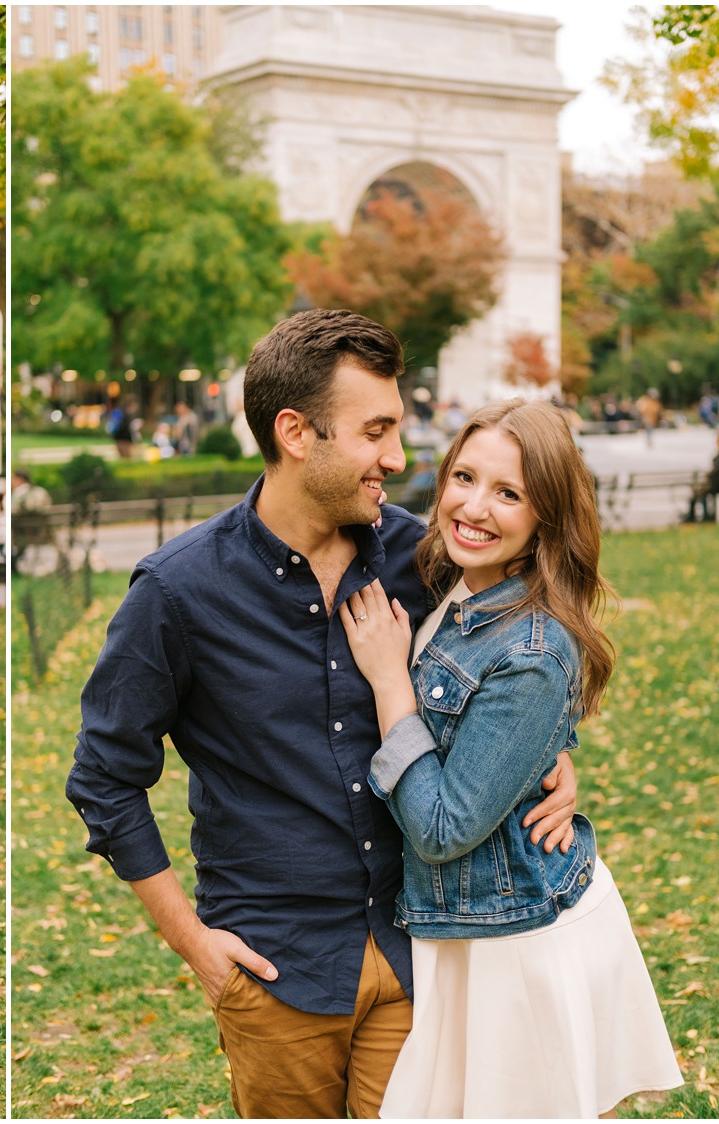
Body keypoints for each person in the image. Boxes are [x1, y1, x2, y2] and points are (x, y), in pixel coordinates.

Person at [66, 309, 577, 1119]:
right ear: (297, 432)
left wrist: (554, 761)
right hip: (276, 968)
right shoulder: (176, 593)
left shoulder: (428, 561)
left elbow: (514, 674)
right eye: (376, 431)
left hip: (420, 948)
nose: (399, 457)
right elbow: (104, 781)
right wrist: (194, 943)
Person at [339, 399, 682, 1116]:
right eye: (464, 476)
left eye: (509, 493)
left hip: (517, 942)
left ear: (544, 518)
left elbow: (441, 830)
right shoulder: (454, 579)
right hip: (468, 931)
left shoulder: (532, 648)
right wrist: (552, 754)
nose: (474, 506)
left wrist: (389, 680)